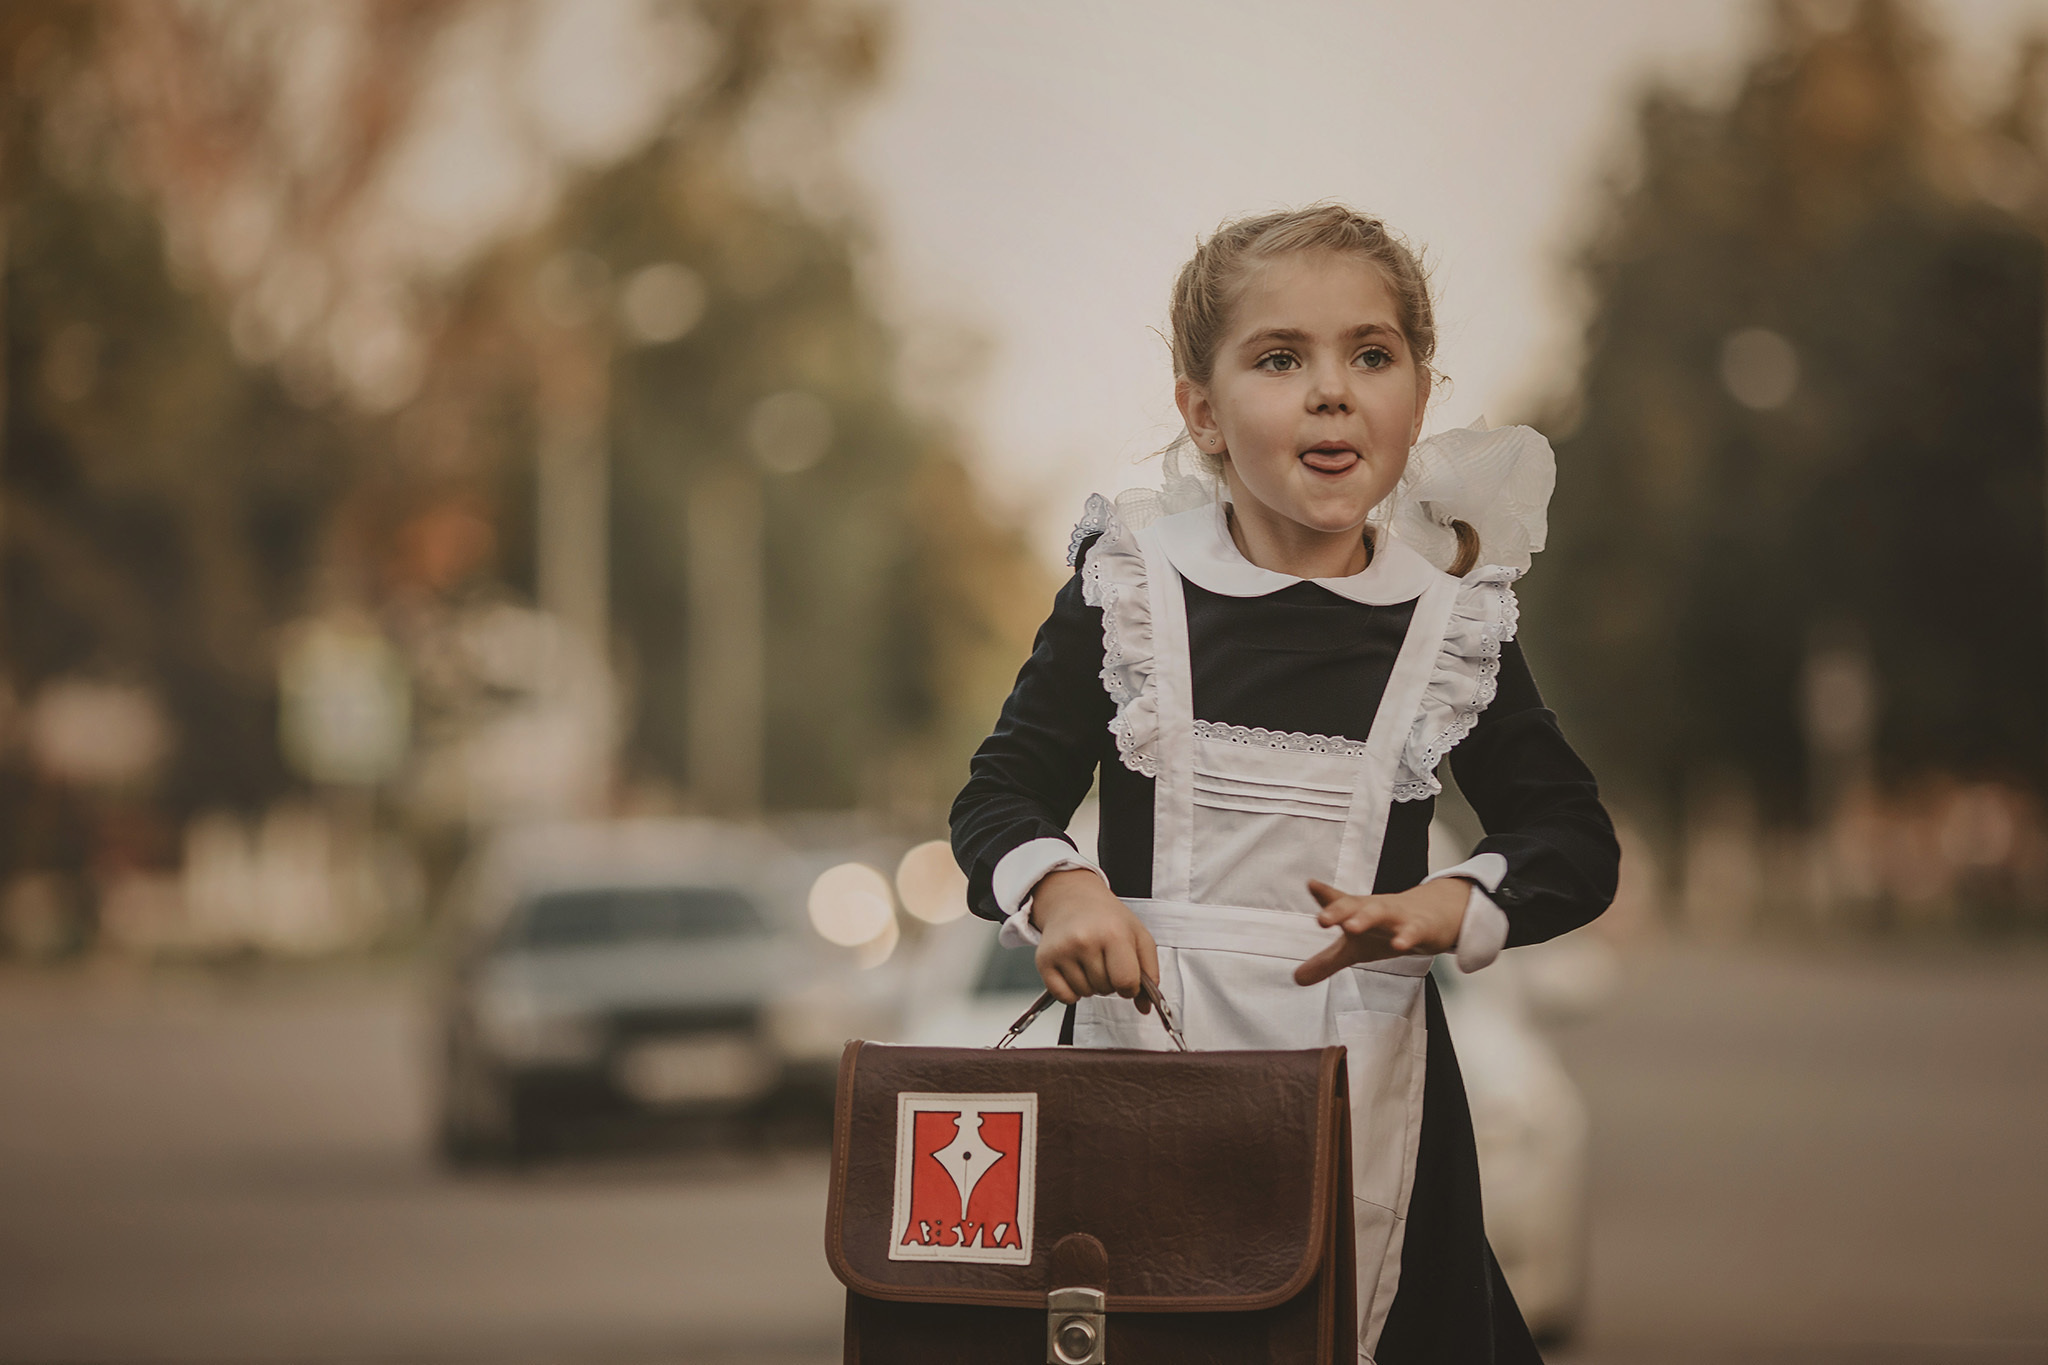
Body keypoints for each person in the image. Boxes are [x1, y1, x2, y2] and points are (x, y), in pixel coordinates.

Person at [949, 204, 1620, 1364]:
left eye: (1370, 355)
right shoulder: (1128, 597)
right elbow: (994, 800)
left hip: (1375, 1100)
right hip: (1139, 1078)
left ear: (1417, 394)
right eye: (1278, 359)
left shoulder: (1449, 624)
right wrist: (1063, 893)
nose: (1330, 390)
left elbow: (1571, 836)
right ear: (1200, 412)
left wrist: (1447, 904)